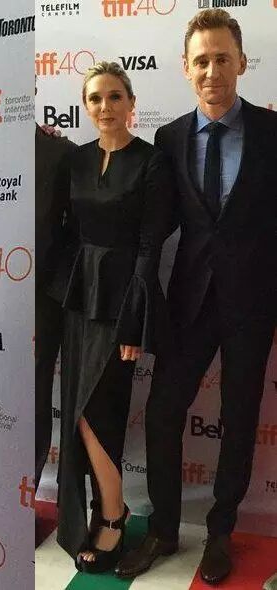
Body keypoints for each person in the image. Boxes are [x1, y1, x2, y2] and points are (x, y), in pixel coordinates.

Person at [116, 9, 277, 585]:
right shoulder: (169, 138)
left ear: (241, 63)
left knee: (239, 419)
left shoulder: (272, 132)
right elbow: (153, 221)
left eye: (222, 59)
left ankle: (220, 533)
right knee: (163, 414)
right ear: (186, 69)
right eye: (202, 61)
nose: (212, 71)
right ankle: (163, 528)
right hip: (187, 303)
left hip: (252, 304)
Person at [48, 61, 172, 573]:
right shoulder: (75, 160)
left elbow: (149, 245)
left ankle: (114, 515)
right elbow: (64, 230)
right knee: (78, 409)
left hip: (123, 301)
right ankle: (105, 508)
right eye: (95, 98)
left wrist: (136, 319)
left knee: (100, 409)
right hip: (80, 298)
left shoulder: (152, 162)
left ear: (131, 103)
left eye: (115, 96)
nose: (105, 107)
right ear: (86, 105)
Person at [35, 120, 75, 493]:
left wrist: (53, 289)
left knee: (35, 398)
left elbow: (78, 230)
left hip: (43, 303)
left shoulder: (61, 152)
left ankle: (27, 496)